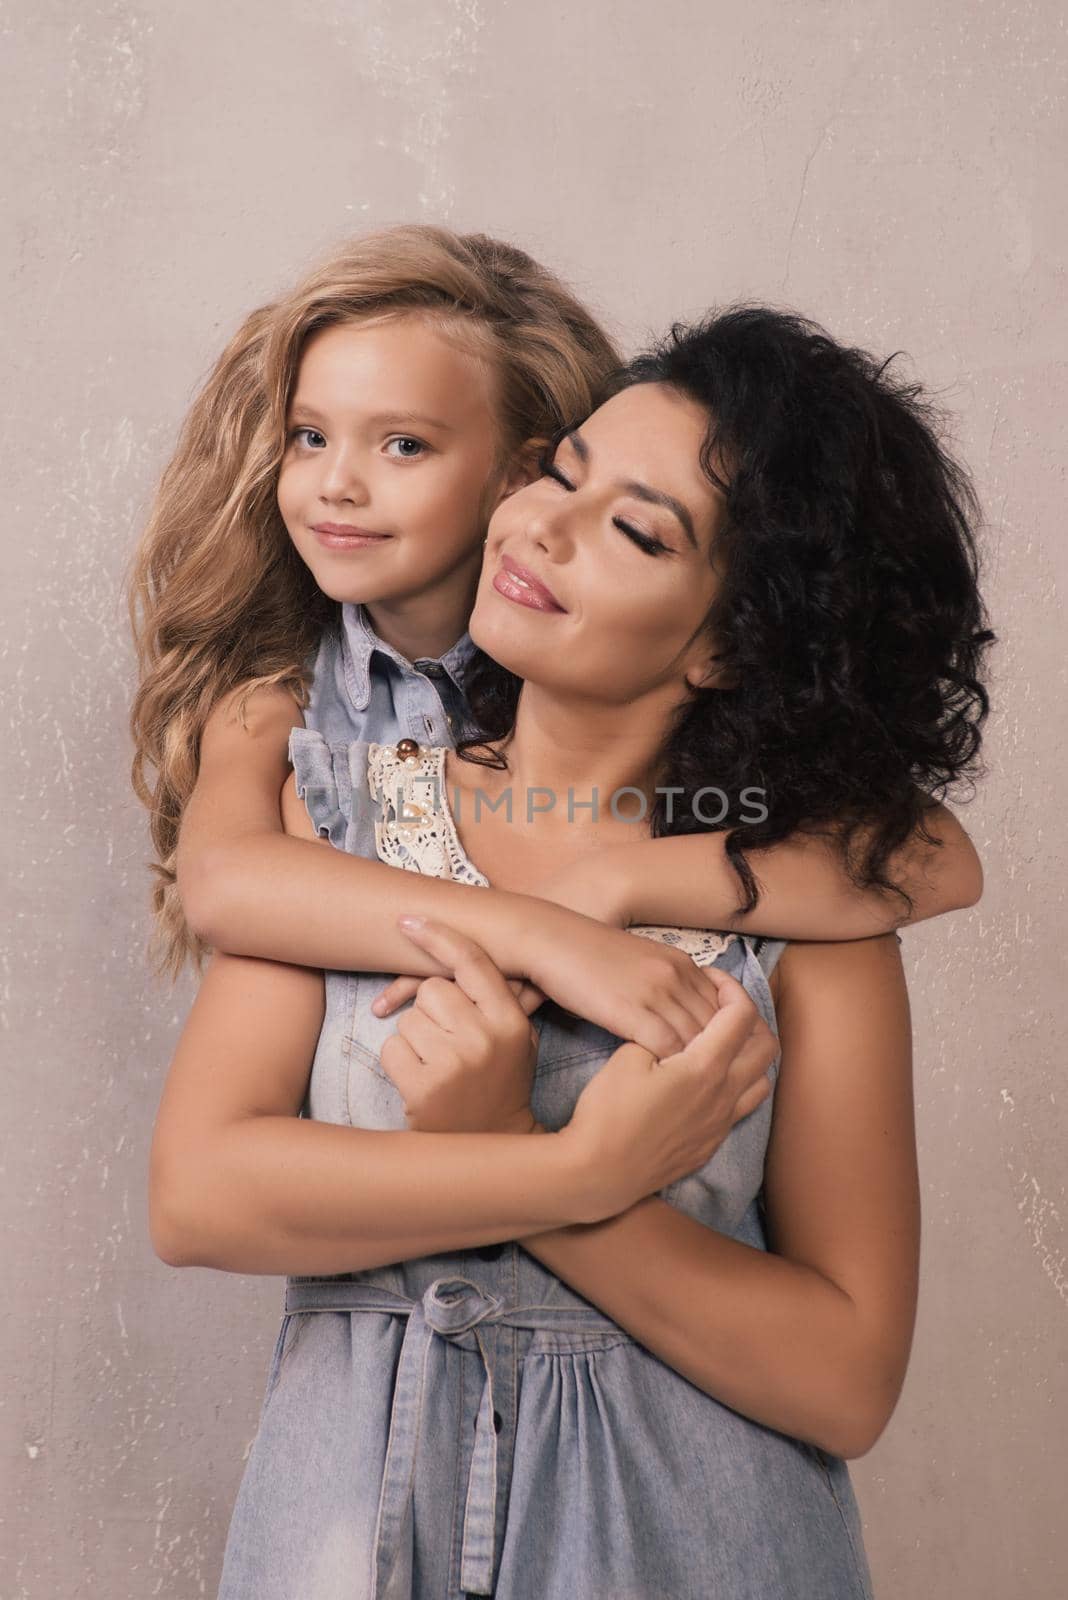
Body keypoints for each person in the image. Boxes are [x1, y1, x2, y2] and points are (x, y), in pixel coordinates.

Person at [147, 304, 994, 1598]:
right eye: (562, 472)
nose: (540, 525)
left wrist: (523, 1154)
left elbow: (846, 1380)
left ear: (729, 643)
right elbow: (199, 1196)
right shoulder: (335, 826)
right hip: (350, 1549)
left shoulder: (798, 912)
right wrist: (573, 1167)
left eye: (635, 530)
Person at [127, 224, 983, 1059]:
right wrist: (540, 933)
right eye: (309, 437)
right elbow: (225, 883)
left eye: (404, 445)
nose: (339, 484)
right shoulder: (280, 701)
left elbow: (933, 854)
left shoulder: (579, 647)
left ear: (512, 472)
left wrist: (614, 883)